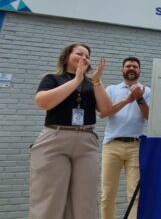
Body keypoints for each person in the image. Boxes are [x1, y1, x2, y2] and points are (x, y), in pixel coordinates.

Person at [31, 43, 112, 219]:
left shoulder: (93, 83)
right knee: (50, 197)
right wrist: (76, 80)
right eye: (79, 53)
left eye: (87, 56)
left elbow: (106, 110)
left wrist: (97, 81)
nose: (84, 57)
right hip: (55, 138)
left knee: (86, 199)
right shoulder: (52, 78)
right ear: (67, 56)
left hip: (86, 140)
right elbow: (43, 102)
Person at [99, 57, 151, 219]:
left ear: (139, 70)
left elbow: (151, 117)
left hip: (136, 146)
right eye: (128, 66)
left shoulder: (147, 91)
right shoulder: (112, 90)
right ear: (122, 70)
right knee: (107, 195)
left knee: (135, 195)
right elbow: (103, 113)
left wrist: (139, 99)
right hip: (111, 146)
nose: (131, 68)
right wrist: (127, 100)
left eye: (135, 66)